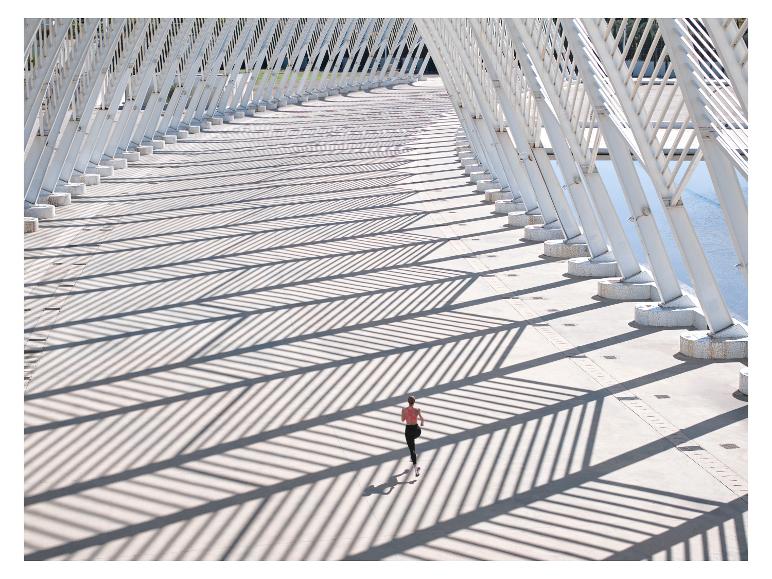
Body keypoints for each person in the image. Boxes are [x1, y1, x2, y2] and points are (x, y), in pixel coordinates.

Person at [401, 395, 425, 476]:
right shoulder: (417, 410)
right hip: (417, 431)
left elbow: (402, 420)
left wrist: (404, 414)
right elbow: (422, 419)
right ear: (414, 402)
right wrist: (422, 423)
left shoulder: (404, 409)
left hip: (408, 430)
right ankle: (412, 457)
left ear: (408, 402)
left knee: (412, 449)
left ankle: (416, 469)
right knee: (412, 442)